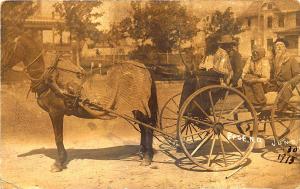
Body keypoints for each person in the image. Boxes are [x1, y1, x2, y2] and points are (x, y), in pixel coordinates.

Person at [266, 38, 300, 110]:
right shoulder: (274, 60)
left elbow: (298, 75)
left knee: (284, 95)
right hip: (276, 84)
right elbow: (271, 75)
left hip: (286, 86)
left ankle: (279, 110)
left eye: (281, 45)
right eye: (277, 46)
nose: (279, 47)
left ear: (285, 48)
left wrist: (289, 83)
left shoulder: (291, 59)